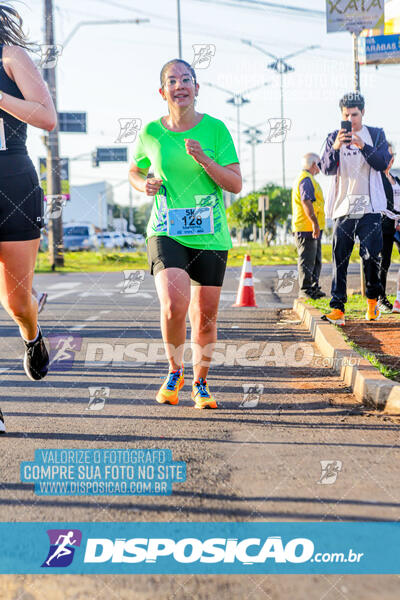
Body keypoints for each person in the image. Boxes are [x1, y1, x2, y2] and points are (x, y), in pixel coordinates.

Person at [129, 58, 241, 409]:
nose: (180, 86)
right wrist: (143, 183)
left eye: (186, 79)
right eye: (172, 81)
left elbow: (235, 184)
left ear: (197, 88)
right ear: (162, 91)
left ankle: (201, 383)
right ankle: (175, 370)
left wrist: (205, 160)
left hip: (210, 233)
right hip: (166, 229)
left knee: (204, 316)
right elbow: (134, 170)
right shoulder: (150, 133)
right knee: (173, 304)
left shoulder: (216, 130)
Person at [0, 5, 56, 433]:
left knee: (16, 302)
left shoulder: (10, 55)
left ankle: (32, 332)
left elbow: (47, 118)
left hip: (12, 181)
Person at [319, 92, 391, 326]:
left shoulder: (376, 134)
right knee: (340, 259)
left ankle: (372, 302)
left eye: (354, 114)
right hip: (344, 207)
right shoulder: (333, 136)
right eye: (346, 115)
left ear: (362, 112)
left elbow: (382, 163)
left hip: (369, 207)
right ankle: (337, 308)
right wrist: (336, 147)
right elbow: (326, 168)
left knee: (371, 256)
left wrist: (362, 145)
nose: (351, 119)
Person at [291, 152, 325, 299]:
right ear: (313, 165)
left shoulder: (308, 179)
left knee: (315, 260)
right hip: (306, 228)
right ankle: (305, 290)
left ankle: (313, 288)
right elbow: (306, 202)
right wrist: (315, 224)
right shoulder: (306, 180)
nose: (320, 167)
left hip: (310, 227)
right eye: (319, 164)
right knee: (307, 260)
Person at [378, 143, 400, 312]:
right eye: (387, 155)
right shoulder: (377, 179)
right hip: (385, 225)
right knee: (384, 261)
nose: (390, 159)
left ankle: (398, 298)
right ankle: (381, 298)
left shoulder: (396, 179)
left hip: (399, 225)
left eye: (392, 155)